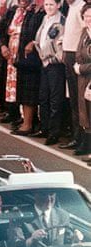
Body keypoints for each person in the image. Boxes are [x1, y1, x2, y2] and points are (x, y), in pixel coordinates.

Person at [0, 0, 45, 136]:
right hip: (11, 57)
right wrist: (2, 46)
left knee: (28, 88)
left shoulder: (37, 13)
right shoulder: (12, 11)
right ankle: (20, 118)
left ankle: (28, 123)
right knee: (16, 89)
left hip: (27, 58)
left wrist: (34, 43)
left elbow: (41, 33)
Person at [33, 0, 66, 145]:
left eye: (52, 4)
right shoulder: (45, 18)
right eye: (46, 4)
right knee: (43, 97)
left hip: (55, 64)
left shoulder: (61, 21)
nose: (48, 7)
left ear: (58, 5)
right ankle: (44, 127)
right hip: (44, 62)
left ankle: (54, 132)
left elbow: (60, 46)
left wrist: (52, 59)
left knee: (55, 99)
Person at [7, 191, 82, 247]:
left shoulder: (62, 215)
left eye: (51, 194)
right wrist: (31, 240)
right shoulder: (20, 216)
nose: (49, 199)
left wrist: (75, 240)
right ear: (35, 195)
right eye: (44, 195)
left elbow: (68, 242)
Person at [59, 0, 85, 151]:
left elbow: (85, 30)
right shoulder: (71, 7)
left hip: (76, 55)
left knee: (78, 99)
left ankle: (81, 138)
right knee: (73, 99)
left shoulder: (81, 7)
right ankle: (76, 136)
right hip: (69, 53)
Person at [73, 3, 91, 157]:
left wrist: (81, 68)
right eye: (86, 17)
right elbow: (78, 54)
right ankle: (86, 144)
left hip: (87, 77)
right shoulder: (85, 33)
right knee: (85, 112)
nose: (89, 19)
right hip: (84, 79)